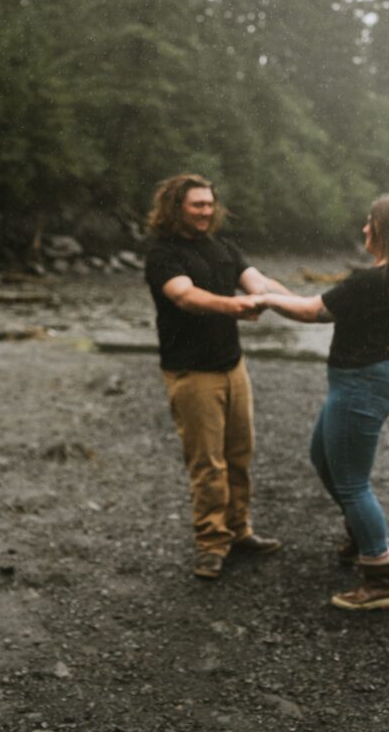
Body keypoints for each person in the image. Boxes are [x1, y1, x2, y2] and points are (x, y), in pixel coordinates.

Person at [258, 193, 389, 611]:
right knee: (323, 458)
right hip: (364, 379)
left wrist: (264, 299)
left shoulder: (372, 280)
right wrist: (269, 288)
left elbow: (313, 312)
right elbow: (320, 304)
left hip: (361, 383)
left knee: (351, 481)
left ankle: (380, 578)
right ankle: (364, 534)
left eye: (370, 221)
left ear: (384, 230)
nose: (364, 228)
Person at [144, 173, 291, 580]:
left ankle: (239, 530)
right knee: (208, 465)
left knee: (240, 455)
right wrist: (235, 307)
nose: (206, 211)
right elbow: (184, 296)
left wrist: (303, 304)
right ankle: (211, 544)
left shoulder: (222, 246)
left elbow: (256, 281)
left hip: (232, 366)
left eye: (209, 204)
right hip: (192, 373)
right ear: (176, 208)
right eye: (197, 205)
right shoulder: (162, 253)